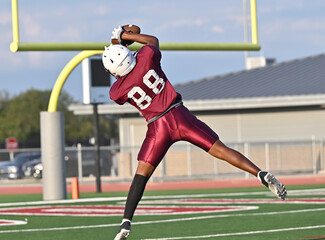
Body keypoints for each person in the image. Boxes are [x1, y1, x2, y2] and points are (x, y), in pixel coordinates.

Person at [102, 25, 287, 240]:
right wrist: (126, 36)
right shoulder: (146, 57)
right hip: (179, 115)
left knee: (141, 176)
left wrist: (118, 44)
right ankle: (260, 173)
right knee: (221, 150)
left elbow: (120, 75)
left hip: (157, 128)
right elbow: (152, 41)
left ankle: (126, 222)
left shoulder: (117, 91)